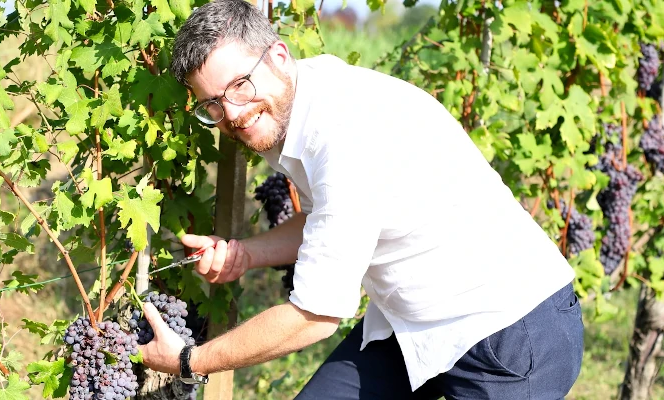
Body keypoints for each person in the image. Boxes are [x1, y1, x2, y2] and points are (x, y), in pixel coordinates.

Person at [137, 0, 585, 398]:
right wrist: (245, 254)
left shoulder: (345, 136)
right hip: (412, 326)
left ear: (278, 55)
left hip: (510, 335)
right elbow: (321, 218)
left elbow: (315, 315)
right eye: (212, 103)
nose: (232, 112)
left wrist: (188, 360)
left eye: (239, 85)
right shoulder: (307, 95)